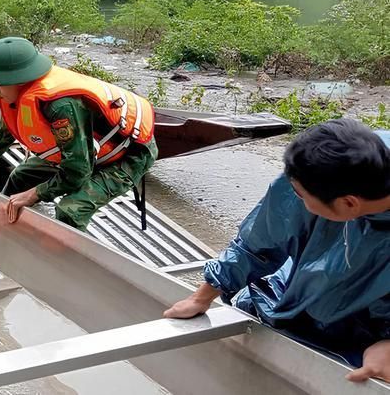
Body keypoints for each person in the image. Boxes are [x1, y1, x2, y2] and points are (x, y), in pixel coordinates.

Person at [164, 119, 390, 383]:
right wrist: (201, 298)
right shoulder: (329, 166)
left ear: (349, 204)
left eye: (302, 197)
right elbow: (261, 238)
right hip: (311, 283)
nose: (297, 200)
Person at [0, 37, 158, 229]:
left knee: (70, 210)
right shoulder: (15, 97)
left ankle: (67, 264)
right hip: (87, 150)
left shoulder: (60, 107)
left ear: (19, 80)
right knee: (20, 176)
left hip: (127, 154)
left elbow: (77, 172)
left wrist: (33, 194)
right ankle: (5, 227)